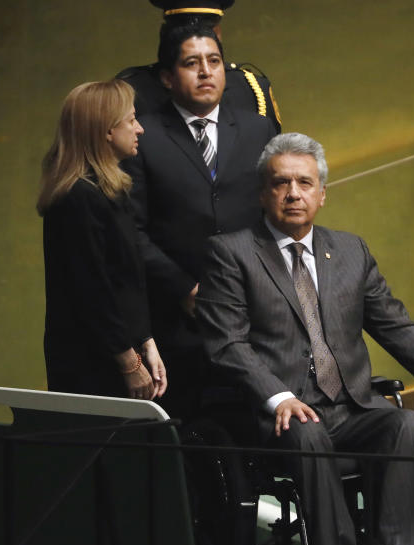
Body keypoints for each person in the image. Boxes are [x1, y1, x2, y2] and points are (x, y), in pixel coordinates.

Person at [195, 132, 414, 545]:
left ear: (322, 193)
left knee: (404, 424)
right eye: (281, 183)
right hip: (275, 417)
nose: (293, 193)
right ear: (263, 194)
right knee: (307, 432)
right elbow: (226, 344)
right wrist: (277, 397)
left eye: (305, 182)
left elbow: (395, 325)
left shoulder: (351, 252)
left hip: (350, 408)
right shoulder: (231, 253)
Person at [125, 21, 275, 420]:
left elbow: (272, 216)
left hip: (250, 315)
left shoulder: (258, 129)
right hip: (174, 315)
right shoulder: (142, 135)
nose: (206, 72)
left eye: (214, 61)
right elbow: (131, 230)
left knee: (249, 431)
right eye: (192, 63)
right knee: (185, 436)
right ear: (167, 78)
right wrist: (183, 288)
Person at [39, 79, 167, 401]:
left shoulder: (110, 190)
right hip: (93, 361)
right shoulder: (78, 197)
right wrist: (129, 362)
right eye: (131, 120)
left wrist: (146, 342)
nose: (140, 129)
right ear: (107, 130)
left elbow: (127, 281)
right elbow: (92, 290)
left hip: (120, 350)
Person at [117, 1, 281, 132]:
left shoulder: (249, 88)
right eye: (183, 31)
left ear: (218, 34)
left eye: (207, 31)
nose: (197, 38)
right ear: (164, 35)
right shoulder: (130, 91)